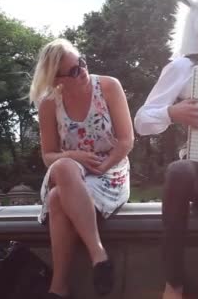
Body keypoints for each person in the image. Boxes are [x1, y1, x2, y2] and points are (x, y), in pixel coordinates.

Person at [29, 38, 134, 299]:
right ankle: (99, 255)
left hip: (110, 170)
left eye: (82, 63)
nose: (83, 71)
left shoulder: (108, 86)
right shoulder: (49, 104)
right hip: (71, 172)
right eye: (74, 71)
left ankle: (59, 287)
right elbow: (48, 156)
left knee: (57, 198)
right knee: (64, 165)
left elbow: (126, 141)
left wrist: (102, 167)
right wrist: (72, 154)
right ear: (57, 80)